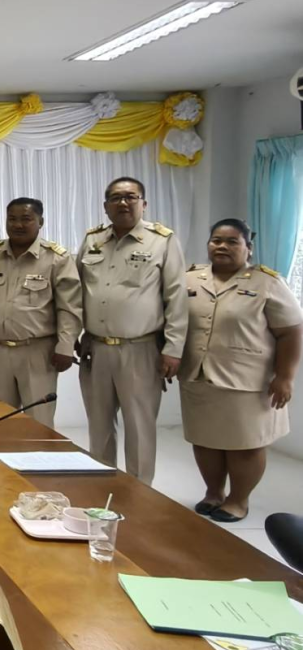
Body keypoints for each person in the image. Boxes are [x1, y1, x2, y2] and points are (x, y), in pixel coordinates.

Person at [181, 219, 302, 523]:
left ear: (249, 247)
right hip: (198, 374)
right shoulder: (190, 278)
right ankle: (213, 492)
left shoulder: (267, 283)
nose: (222, 246)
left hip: (249, 380)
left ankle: (238, 500)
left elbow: (291, 331)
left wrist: (285, 377)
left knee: (244, 445)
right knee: (205, 439)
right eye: (216, 240)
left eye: (232, 241)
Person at [76, 176, 187, 485]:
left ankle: (140, 493)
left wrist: (173, 348)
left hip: (140, 349)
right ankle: (102, 487)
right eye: (116, 198)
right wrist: (75, 335)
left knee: (139, 427)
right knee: (99, 426)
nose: (123, 203)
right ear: (106, 206)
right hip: (96, 348)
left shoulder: (162, 241)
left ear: (144, 204)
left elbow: (176, 297)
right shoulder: (92, 240)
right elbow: (76, 291)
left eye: (131, 197)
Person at [0, 198, 82, 426]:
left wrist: (66, 345)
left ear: (40, 222)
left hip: (38, 352)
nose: (18, 225)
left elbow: (69, 307)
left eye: (26, 219)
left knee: (38, 422)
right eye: (12, 219)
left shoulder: (56, 258)